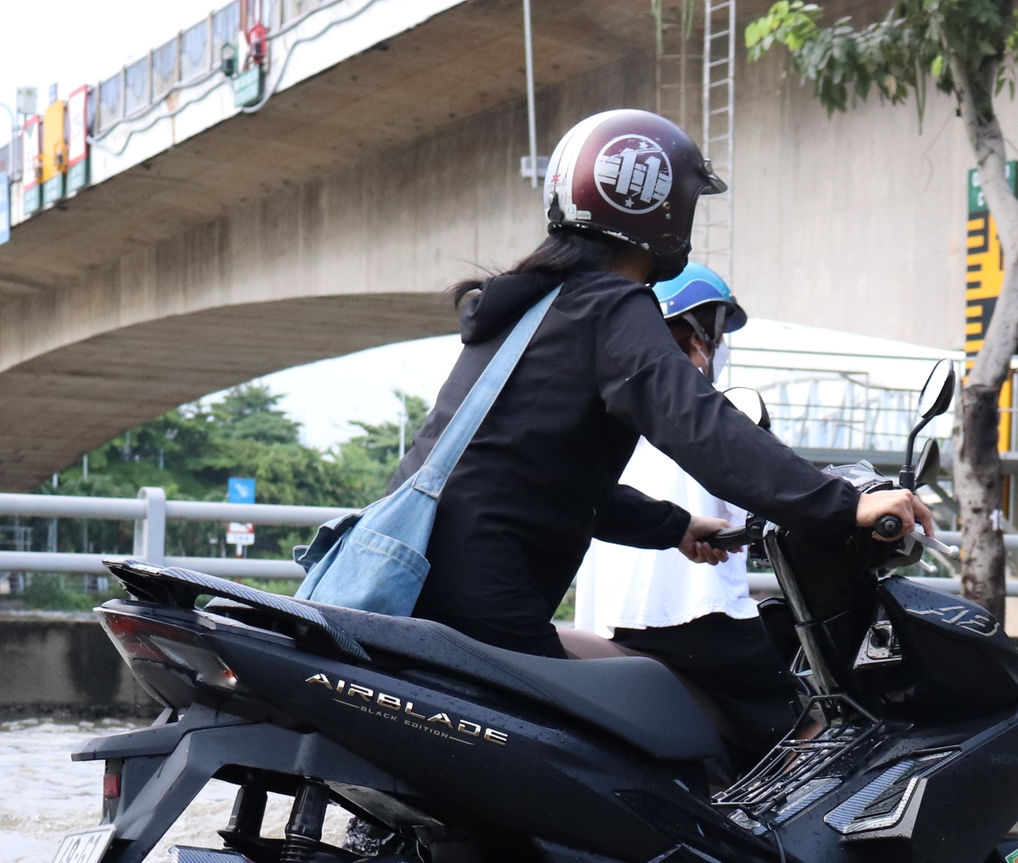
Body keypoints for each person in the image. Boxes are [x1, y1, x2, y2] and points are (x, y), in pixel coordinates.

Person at [339, 107, 931, 660]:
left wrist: (672, 526)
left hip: (425, 576)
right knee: (595, 753)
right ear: (664, 210)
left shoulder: (538, 306)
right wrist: (843, 503)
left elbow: (538, 471)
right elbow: (699, 423)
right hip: (485, 590)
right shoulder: (610, 306)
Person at [573, 263, 800, 748]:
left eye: (713, 337)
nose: (708, 350)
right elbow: (773, 487)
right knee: (805, 712)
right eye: (704, 333)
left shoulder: (607, 412)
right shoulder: (704, 415)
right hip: (693, 618)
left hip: (613, 618)